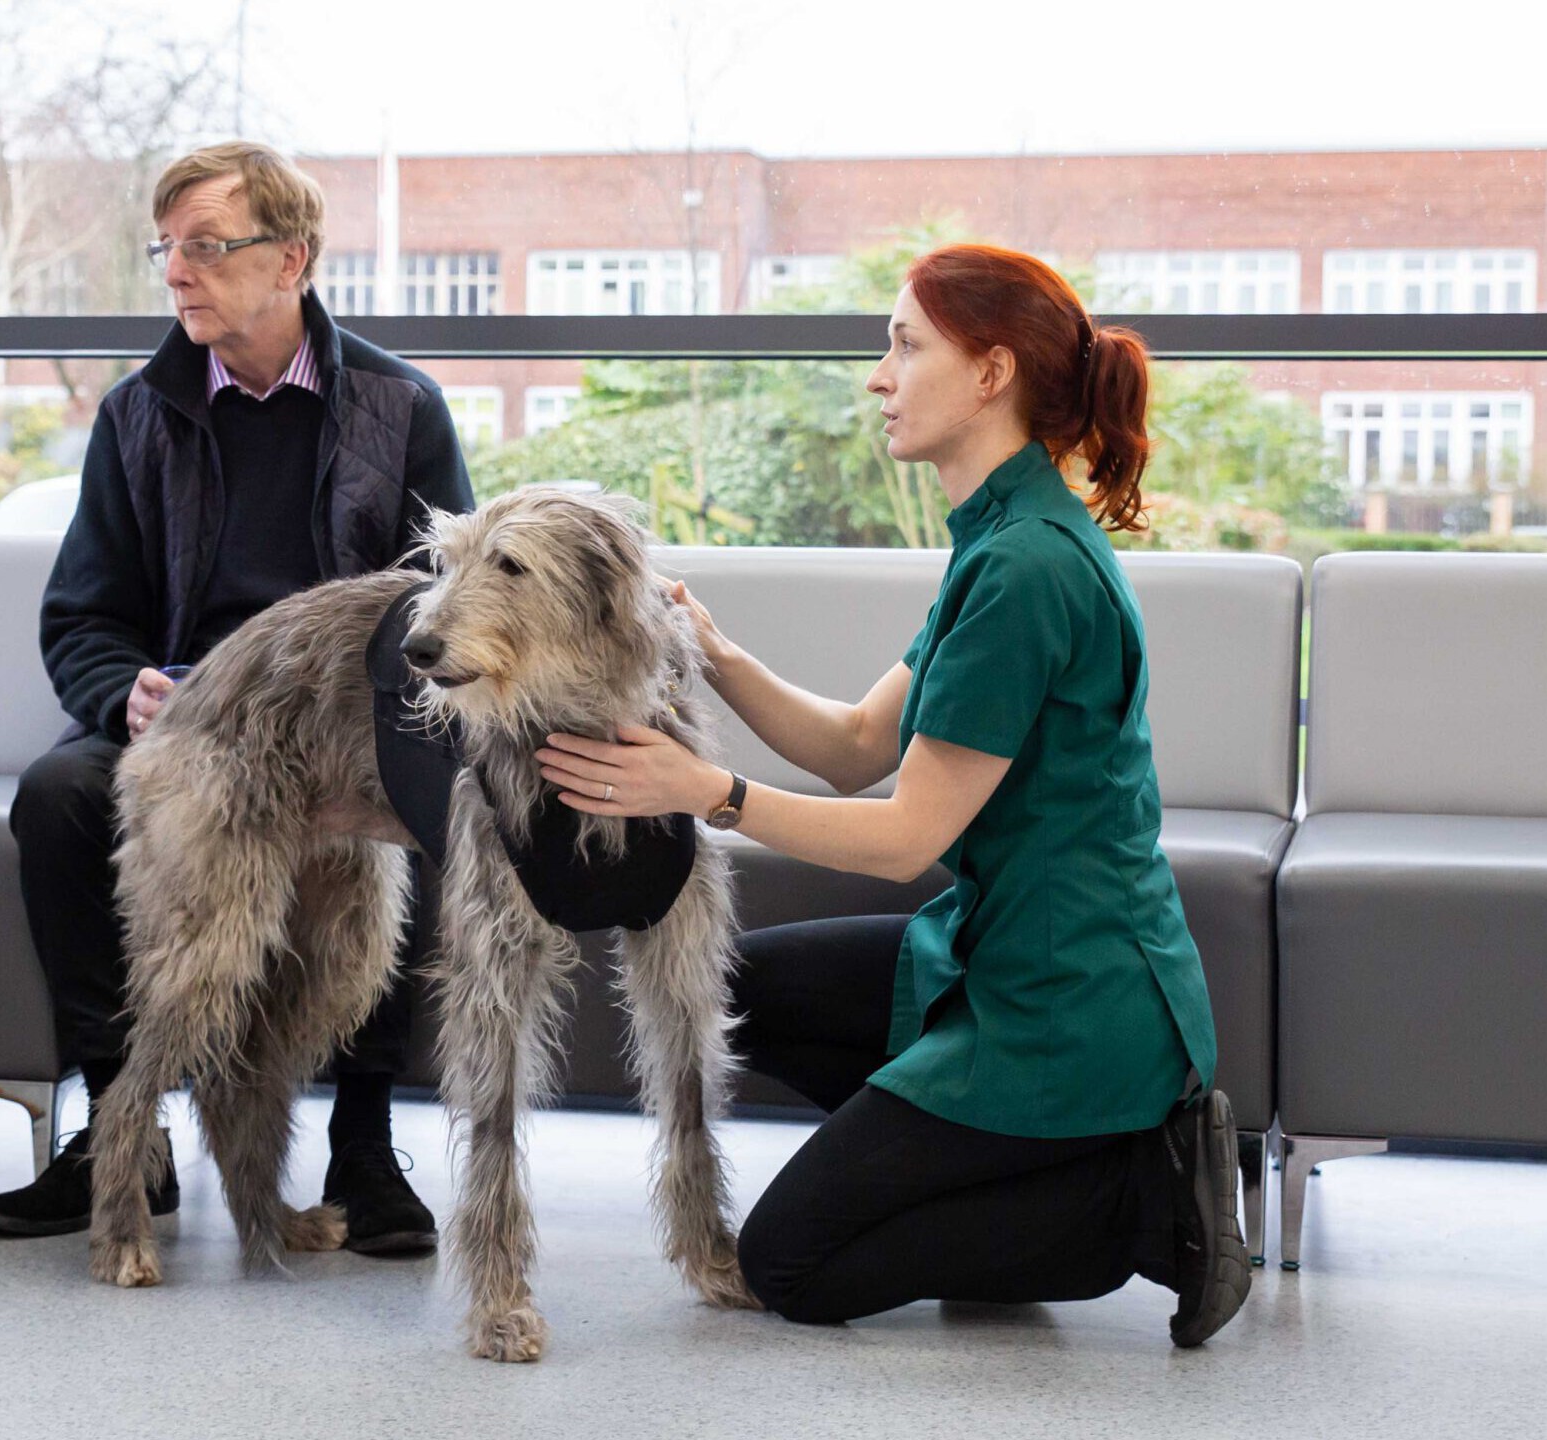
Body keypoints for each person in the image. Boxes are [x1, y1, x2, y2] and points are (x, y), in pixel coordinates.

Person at [532, 244, 1250, 1345]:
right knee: (741, 991)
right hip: (1000, 949)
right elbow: (858, 745)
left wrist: (704, 790)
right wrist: (715, 654)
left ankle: (1138, 1200)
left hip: (1068, 1002)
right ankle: (995, 1171)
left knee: (792, 1265)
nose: (878, 375)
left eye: (905, 345)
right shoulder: (1002, 539)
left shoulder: (1026, 570)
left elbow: (906, 834)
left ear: (990, 372)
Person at [0, 142, 474, 1251]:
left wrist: (367, 727)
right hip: (184, 732)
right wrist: (125, 695)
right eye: (167, 248)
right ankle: (124, 1133)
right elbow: (82, 617)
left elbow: (452, 615)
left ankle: (361, 1139)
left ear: (289, 258)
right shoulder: (135, 416)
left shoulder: (403, 409)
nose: (177, 272)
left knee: (433, 809)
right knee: (59, 793)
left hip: (348, 732)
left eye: (206, 246)